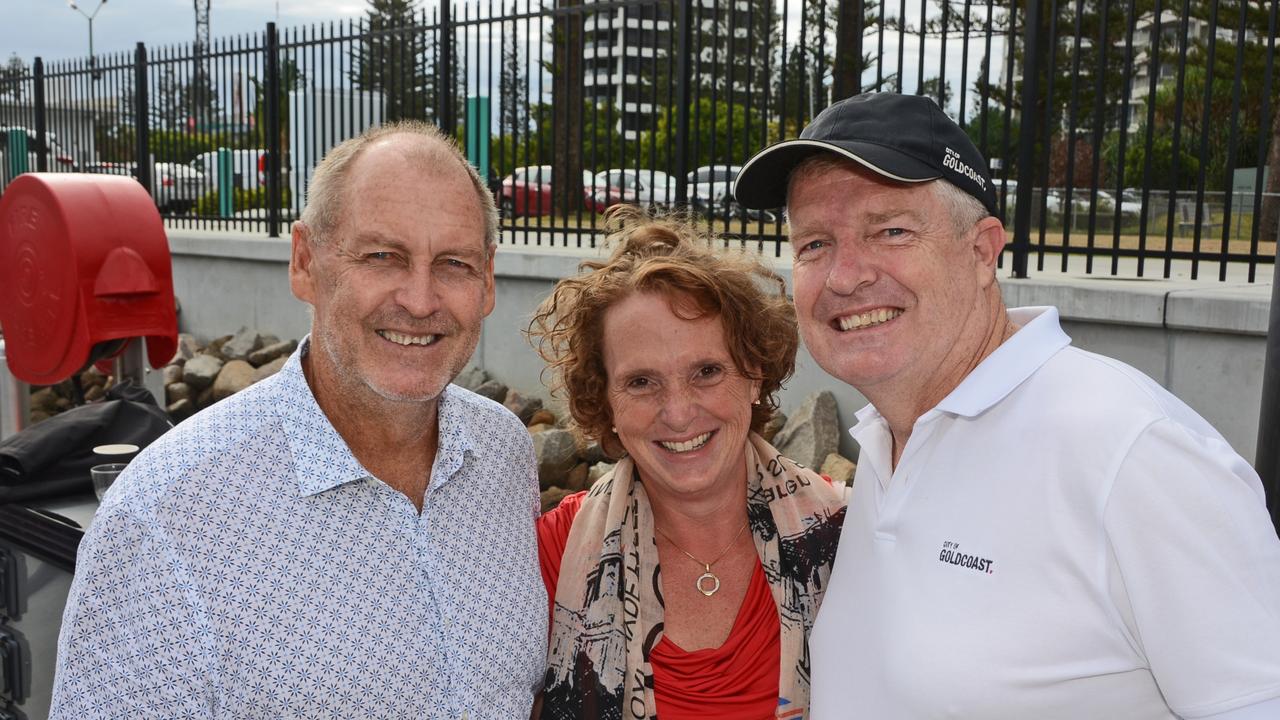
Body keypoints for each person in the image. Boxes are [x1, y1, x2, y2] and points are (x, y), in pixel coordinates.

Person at [731, 91, 1280, 719]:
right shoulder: (889, 444)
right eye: (814, 244)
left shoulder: (1131, 451)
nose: (845, 275)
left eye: (890, 230)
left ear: (983, 251)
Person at [50, 122, 547, 718]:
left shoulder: (504, 454)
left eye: (454, 263)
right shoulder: (167, 515)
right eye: (382, 256)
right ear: (305, 262)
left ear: (488, 280)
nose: (420, 300)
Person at [528, 206, 847, 719]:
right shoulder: (553, 557)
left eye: (706, 371)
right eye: (641, 381)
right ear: (604, 402)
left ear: (755, 373)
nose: (678, 413)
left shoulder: (843, 535)